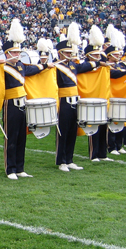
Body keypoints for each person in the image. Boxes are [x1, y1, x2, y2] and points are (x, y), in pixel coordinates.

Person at [1, 27, 51, 180]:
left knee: (22, 137)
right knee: (11, 137)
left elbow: (32, 70)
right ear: (7, 53)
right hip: (10, 105)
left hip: (23, 104)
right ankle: (10, 169)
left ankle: (20, 167)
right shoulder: (2, 68)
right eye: (15, 52)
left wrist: (45, 66)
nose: (18, 54)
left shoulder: (20, 65)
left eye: (18, 52)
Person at [54, 23, 99, 171]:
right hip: (63, 101)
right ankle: (61, 161)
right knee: (63, 131)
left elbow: (86, 66)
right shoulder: (55, 67)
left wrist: (98, 63)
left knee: (73, 130)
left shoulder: (73, 65)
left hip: (75, 101)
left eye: (70, 52)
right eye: (66, 52)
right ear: (60, 53)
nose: (69, 54)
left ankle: (70, 159)